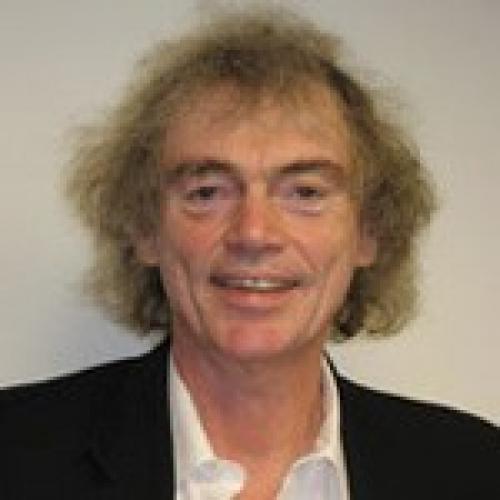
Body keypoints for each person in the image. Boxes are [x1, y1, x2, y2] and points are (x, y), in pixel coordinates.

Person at [1, 8, 498, 500]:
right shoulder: (14, 456)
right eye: (208, 192)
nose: (254, 233)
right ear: (146, 230)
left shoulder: (474, 471)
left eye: (305, 193)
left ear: (370, 232)